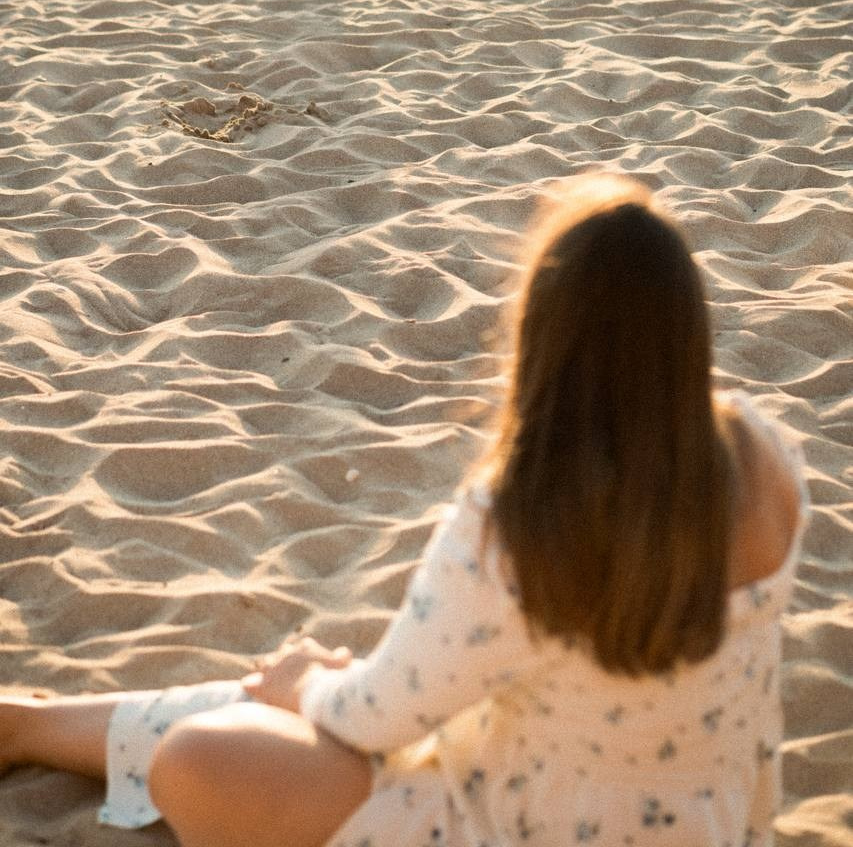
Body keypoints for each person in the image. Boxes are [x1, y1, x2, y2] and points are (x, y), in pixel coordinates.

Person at [0, 173, 808, 847]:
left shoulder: (523, 514)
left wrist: (305, 683)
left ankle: (32, 727)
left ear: (545, 334)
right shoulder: (764, 458)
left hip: (508, 821)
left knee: (204, 754)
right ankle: (29, 724)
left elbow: (378, 716)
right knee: (282, 711)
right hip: (712, 822)